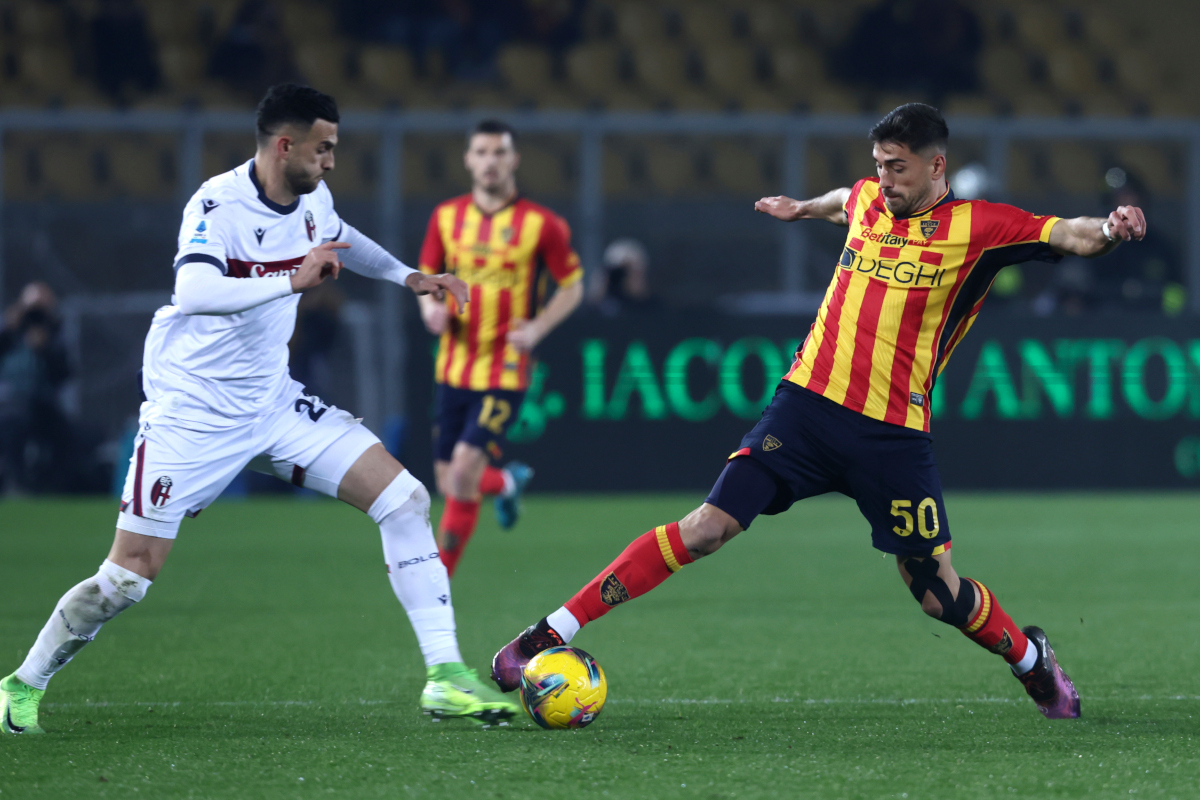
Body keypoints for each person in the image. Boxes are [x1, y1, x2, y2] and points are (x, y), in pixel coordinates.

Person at [491, 104, 1148, 720]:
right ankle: (545, 634)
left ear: (936, 166)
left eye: (898, 167)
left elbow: (1069, 235)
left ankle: (1032, 661)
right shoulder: (866, 198)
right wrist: (804, 208)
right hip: (805, 410)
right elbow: (844, 200)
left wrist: (1112, 232)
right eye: (878, 163)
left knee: (937, 596)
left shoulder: (980, 228)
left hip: (892, 436)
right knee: (704, 529)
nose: (882, 179)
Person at [0, 84, 520, 735]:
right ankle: (23, 681)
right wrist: (288, 279)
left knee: (405, 499)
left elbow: (339, 237)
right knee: (127, 579)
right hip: (192, 413)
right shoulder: (217, 204)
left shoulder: (312, 197)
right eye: (323, 148)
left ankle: (446, 677)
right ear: (285, 145)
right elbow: (191, 290)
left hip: (272, 403)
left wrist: (408, 277)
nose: (331, 161)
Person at [417, 119, 584, 578]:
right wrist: (431, 309)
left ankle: (437, 583)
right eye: (482, 152)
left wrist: (537, 328)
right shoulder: (446, 218)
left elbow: (572, 286)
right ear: (469, 160)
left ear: (514, 160)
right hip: (452, 368)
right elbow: (426, 279)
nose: (490, 161)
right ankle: (507, 481)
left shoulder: (540, 224)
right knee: (450, 482)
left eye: (499, 152)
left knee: (466, 467)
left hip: (505, 371)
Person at [0, 283, 71, 494]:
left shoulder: (54, 333)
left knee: (65, 435)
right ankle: (16, 482)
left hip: (43, 403)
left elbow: (64, 374)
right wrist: (8, 329)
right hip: (9, 403)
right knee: (12, 426)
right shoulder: (10, 333)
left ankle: (53, 486)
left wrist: (45, 348)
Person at [587, 238, 657, 317]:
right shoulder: (596, 309)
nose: (622, 277)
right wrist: (596, 294)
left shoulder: (656, 311)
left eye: (628, 271)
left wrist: (639, 294)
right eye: (619, 272)